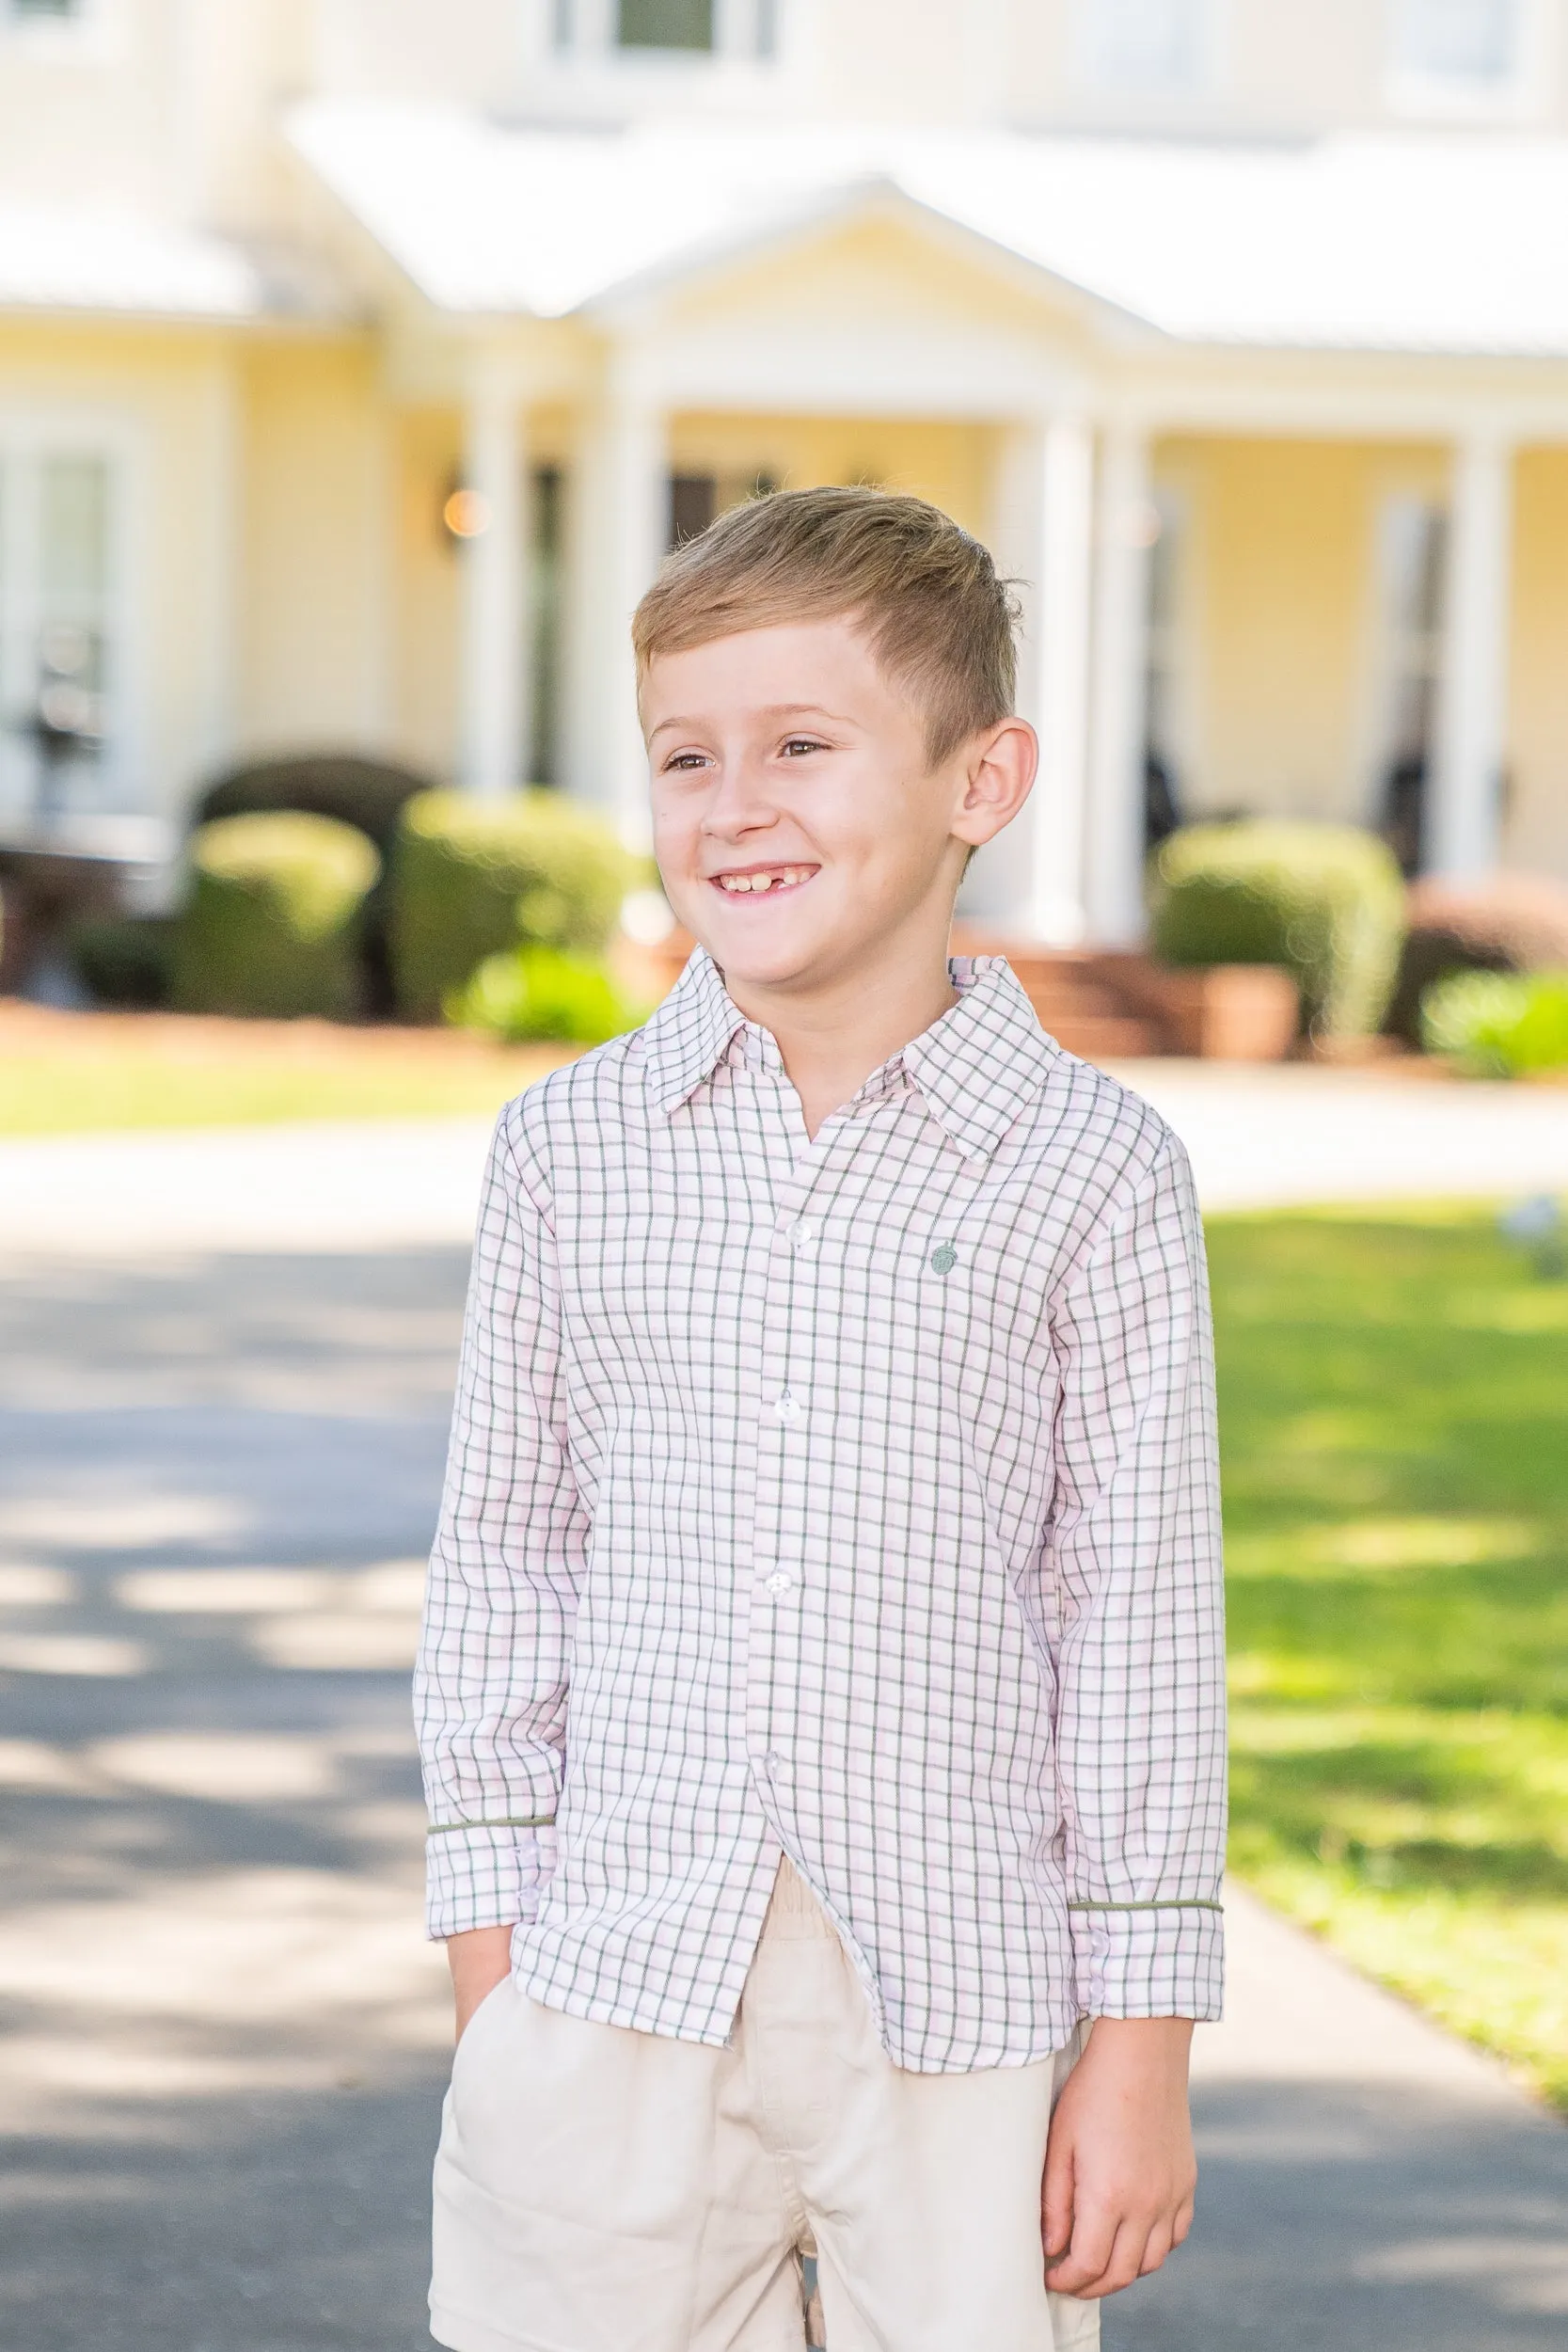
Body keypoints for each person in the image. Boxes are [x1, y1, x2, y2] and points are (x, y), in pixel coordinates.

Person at [416, 486, 1227, 2352]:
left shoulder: (1092, 1172)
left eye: (799, 743)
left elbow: (1134, 1623)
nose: (731, 803)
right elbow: (507, 1564)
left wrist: (1141, 2046)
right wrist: (494, 1980)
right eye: (683, 754)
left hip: (961, 2007)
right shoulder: (566, 1152)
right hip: (609, 1978)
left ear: (978, 777)